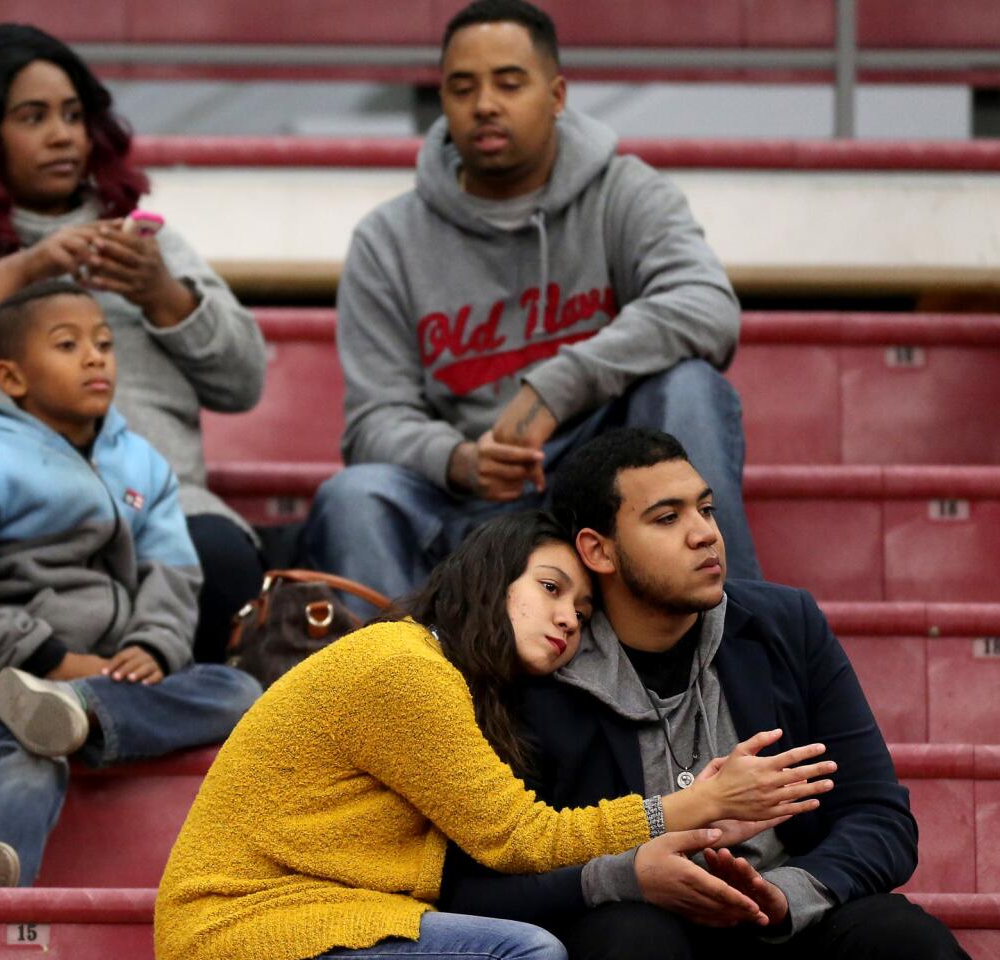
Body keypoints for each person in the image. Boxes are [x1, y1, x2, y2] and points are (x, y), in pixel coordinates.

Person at [154, 509, 835, 960]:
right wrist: (685, 808)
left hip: (314, 916)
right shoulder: (402, 667)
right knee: (527, 954)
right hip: (243, 928)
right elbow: (518, 838)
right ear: (487, 578)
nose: (568, 618)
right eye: (548, 587)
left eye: (580, 608)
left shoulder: (436, 673)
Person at [0, 23, 267, 737]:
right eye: (32, 116)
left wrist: (164, 296)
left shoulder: (147, 244)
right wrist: (24, 270)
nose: (62, 135)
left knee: (221, 558)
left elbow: (244, 379)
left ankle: (100, 734)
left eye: (74, 116)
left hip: (142, 507)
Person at [438, 427, 968, 959]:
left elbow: (879, 817)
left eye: (707, 510)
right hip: (638, 926)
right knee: (631, 942)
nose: (705, 534)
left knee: (903, 939)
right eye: (667, 518)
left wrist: (785, 895)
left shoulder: (786, 624)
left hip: (789, 919)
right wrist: (627, 878)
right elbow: (473, 886)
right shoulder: (544, 665)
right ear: (599, 551)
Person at [304, 0, 759, 615]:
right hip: (467, 497)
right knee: (354, 495)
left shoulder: (624, 192)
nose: (485, 103)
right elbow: (373, 422)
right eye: (462, 87)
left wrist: (553, 389)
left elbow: (705, 306)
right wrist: (461, 460)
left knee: (689, 386)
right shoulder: (386, 240)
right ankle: (400, 696)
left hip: (608, 483)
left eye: (508, 82)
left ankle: (733, 641)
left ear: (557, 94)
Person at [0, 281, 263, 887]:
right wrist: (52, 659)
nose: (95, 357)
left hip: (105, 676)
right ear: (12, 379)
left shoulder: (140, 461)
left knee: (240, 692)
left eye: (104, 343)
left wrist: (153, 645)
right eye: (67, 345)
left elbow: (171, 570)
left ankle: (80, 715)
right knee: (27, 758)